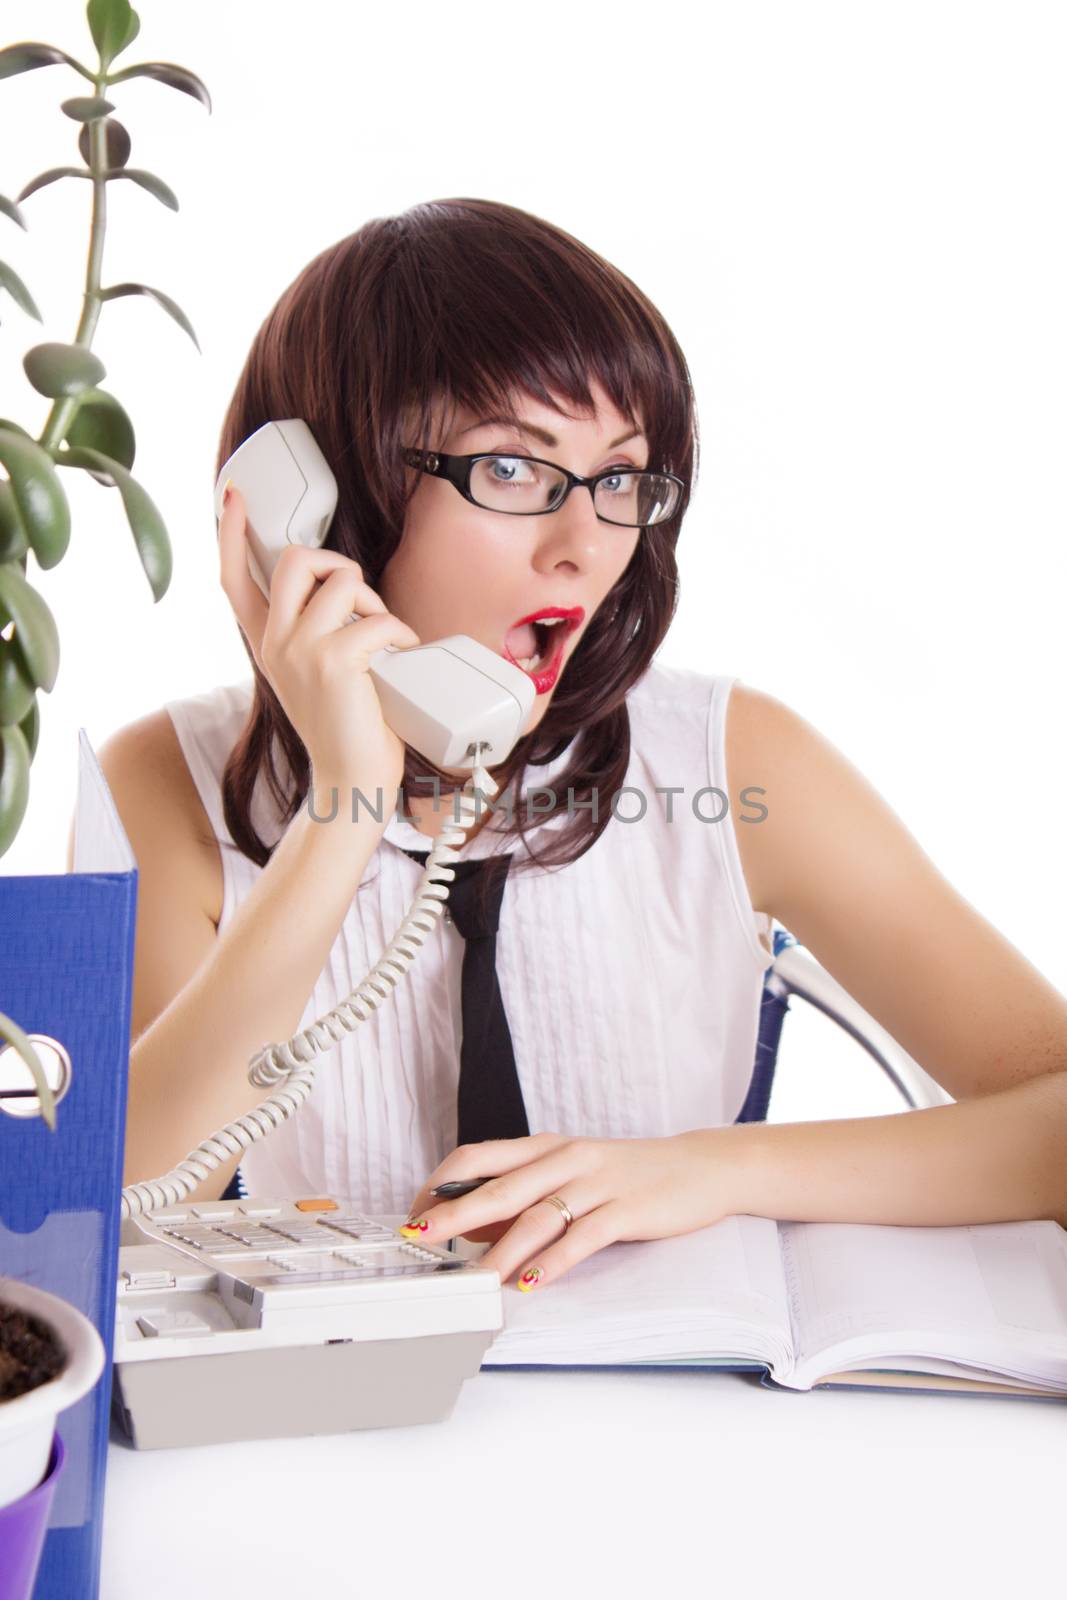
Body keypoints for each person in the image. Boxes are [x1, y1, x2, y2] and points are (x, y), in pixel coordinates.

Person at [85, 197, 1067, 1295]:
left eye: (619, 478)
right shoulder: (162, 784)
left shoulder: (734, 761)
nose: (585, 545)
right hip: (324, 1444)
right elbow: (101, 1204)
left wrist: (708, 1172)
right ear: (320, 504)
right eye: (511, 469)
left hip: (676, 1426)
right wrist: (343, 805)